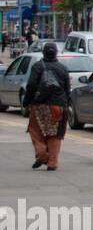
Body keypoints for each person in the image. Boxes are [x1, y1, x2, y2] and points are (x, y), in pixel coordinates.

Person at [25, 42, 71, 171]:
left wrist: (27, 101)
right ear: (56, 53)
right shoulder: (63, 68)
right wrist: (65, 103)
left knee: (36, 131)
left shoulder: (38, 66)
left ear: (43, 52)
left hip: (40, 105)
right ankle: (52, 163)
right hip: (59, 105)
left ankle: (42, 155)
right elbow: (67, 89)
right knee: (55, 134)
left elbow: (31, 85)